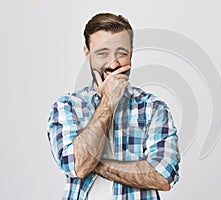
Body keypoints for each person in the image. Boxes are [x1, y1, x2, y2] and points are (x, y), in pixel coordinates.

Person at [47, 13, 180, 200]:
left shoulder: (154, 109)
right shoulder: (67, 107)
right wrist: (108, 101)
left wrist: (95, 162)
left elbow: (163, 176)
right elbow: (78, 165)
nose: (113, 64)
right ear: (88, 53)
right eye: (102, 53)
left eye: (121, 53)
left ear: (131, 54)